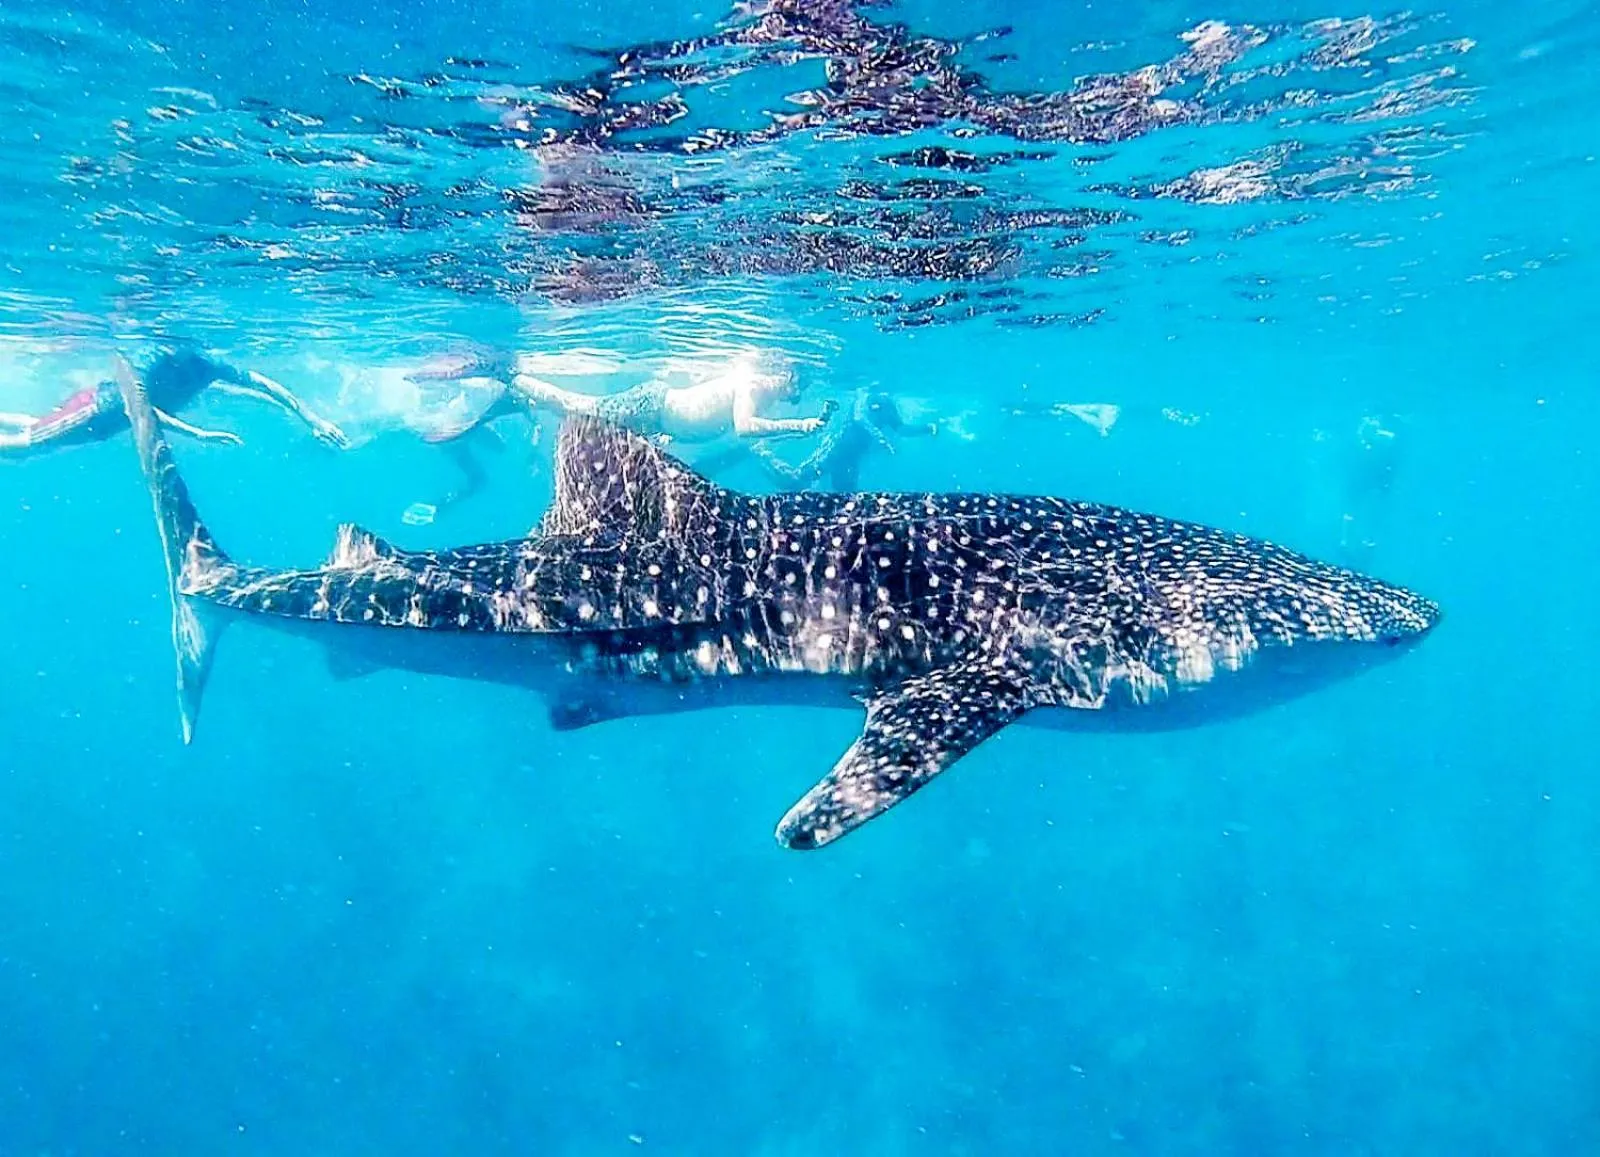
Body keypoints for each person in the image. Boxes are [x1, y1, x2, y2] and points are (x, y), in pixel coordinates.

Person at [0, 348, 348, 455]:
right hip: (98, 411)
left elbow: (264, 384)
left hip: (103, 416)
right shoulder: (158, 362)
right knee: (26, 446)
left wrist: (313, 419)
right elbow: (144, 409)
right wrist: (198, 434)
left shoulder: (210, 365)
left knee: (36, 426)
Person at [707, 387, 936, 490]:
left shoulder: (888, 405)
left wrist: (928, 428)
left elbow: (901, 429)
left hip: (851, 459)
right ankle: (757, 452)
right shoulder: (864, 395)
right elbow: (858, 418)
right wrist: (879, 438)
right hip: (834, 451)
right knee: (794, 482)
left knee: (844, 503)